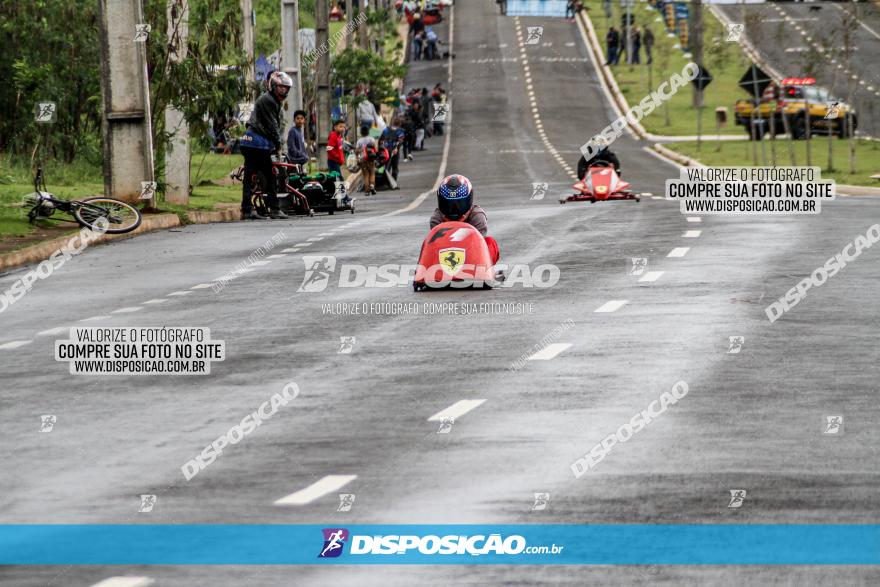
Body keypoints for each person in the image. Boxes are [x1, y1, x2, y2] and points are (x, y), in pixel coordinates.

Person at [239, 71, 292, 220]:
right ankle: (272, 209)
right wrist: (279, 144)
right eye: (281, 87)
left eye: (286, 88)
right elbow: (272, 125)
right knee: (269, 176)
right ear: (274, 86)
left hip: (252, 142)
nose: (284, 91)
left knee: (251, 177)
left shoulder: (271, 100)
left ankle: (248, 209)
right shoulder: (268, 100)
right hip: (256, 143)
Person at [429, 175, 500, 265]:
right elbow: (435, 245)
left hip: (472, 256)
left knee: (490, 242)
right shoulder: (437, 218)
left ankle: (484, 268)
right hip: (445, 255)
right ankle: (428, 269)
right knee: (428, 243)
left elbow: (478, 243)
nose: (454, 208)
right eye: (449, 204)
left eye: (459, 204)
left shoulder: (477, 216)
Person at [356, 126, 378, 196]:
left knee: (365, 175)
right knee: (372, 173)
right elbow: (376, 149)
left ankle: (367, 191)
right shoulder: (371, 139)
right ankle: (372, 185)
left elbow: (356, 151)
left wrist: (358, 157)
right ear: (368, 132)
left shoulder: (359, 141)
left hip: (363, 160)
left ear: (361, 133)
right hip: (371, 159)